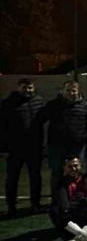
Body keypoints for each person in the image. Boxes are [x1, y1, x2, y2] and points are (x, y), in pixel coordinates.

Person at [41, 80, 87, 196]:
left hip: (77, 146)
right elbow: (40, 119)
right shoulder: (53, 105)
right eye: (68, 90)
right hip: (57, 146)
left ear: (78, 91)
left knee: (75, 173)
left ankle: (74, 197)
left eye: (73, 91)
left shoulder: (85, 105)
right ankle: (57, 198)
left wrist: (85, 137)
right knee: (57, 173)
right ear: (63, 91)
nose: (71, 93)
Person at [0, 78, 46, 215]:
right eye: (24, 88)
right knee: (12, 177)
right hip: (15, 148)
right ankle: (11, 206)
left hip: (34, 147)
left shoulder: (39, 101)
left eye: (30, 88)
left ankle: (35, 204)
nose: (27, 90)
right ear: (18, 88)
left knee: (35, 176)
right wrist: (3, 148)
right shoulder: (8, 103)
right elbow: (2, 127)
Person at [49, 155, 87, 238]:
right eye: (69, 167)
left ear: (81, 165)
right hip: (73, 214)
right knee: (55, 210)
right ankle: (82, 233)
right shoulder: (61, 183)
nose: (74, 169)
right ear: (64, 168)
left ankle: (80, 234)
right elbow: (65, 206)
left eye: (76, 165)